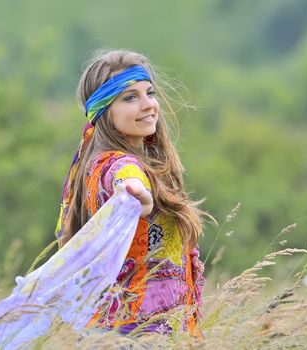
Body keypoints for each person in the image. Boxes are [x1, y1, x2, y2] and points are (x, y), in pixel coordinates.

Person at [54, 49, 212, 338]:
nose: (148, 105)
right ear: (104, 110)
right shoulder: (118, 165)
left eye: (149, 93)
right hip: (132, 334)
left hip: (121, 331)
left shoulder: (97, 164)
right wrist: (137, 193)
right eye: (130, 97)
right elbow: (125, 180)